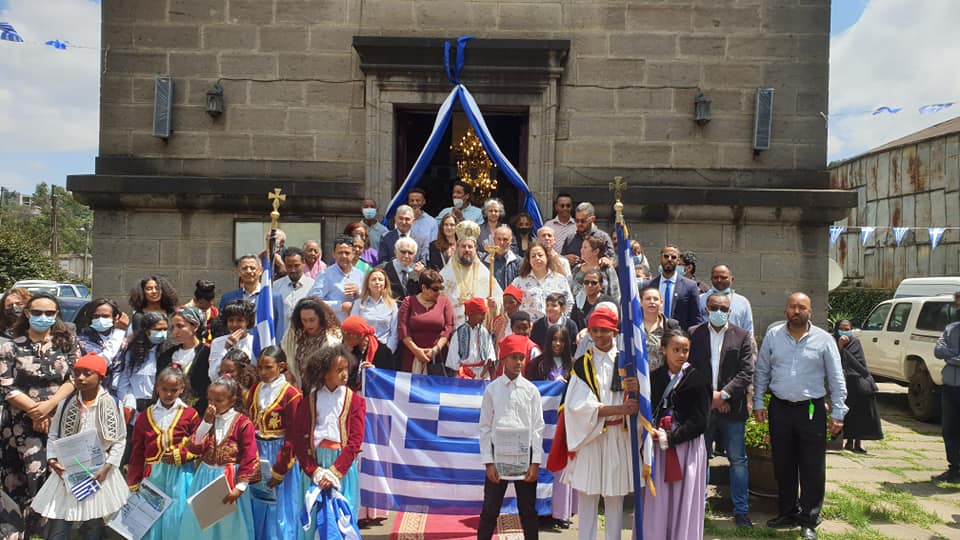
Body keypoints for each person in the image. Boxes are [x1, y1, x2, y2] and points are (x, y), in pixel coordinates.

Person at [754, 292, 846, 540]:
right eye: (793, 307)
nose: (797, 311)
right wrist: (758, 401)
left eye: (802, 307)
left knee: (812, 466)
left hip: (811, 409)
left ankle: (809, 518)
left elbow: (836, 378)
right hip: (780, 408)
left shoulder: (824, 340)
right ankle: (787, 512)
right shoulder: (774, 336)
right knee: (783, 464)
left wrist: (838, 412)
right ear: (786, 310)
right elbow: (762, 370)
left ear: (810, 312)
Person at [0, 293, 79, 537]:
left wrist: (49, 406)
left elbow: (75, 377)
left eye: (49, 313)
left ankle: (50, 529)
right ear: (27, 314)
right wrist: (34, 410)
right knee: (24, 474)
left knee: (53, 473)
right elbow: (5, 384)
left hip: (59, 419)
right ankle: (16, 528)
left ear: (56, 315)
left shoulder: (67, 343)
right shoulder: (10, 346)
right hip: (19, 424)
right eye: (37, 313)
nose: (43, 317)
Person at [559, 308, 638, 540]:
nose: (599, 335)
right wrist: (619, 410)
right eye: (594, 330)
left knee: (615, 499)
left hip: (617, 436)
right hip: (591, 437)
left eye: (604, 330)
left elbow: (642, 401)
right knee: (587, 497)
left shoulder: (628, 362)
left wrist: (637, 390)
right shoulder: (582, 364)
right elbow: (578, 407)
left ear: (614, 330)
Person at [32, 353, 128, 540]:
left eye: (87, 373)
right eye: (77, 373)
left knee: (93, 525)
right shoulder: (66, 403)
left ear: (101, 377)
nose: (81, 378)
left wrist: (107, 468)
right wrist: (52, 459)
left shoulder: (113, 404)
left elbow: (120, 439)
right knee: (60, 525)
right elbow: (53, 434)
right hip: (67, 470)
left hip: (97, 471)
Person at [689, 293, 755, 528]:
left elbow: (747, 372)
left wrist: (724, 395)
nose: (719, 311)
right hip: (703, 409)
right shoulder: (694, 334)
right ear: (706, 308)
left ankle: (741, 511)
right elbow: (688, 369)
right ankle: (698, 509)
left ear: (730, 311)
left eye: (724, 308)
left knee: (738, 460)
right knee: (701, 458)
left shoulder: (742, 335)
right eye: (714, 307)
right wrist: (710, 398)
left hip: (732, 409)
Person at [642, 329, 711, 540]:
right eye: (676, 350)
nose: (681, 354)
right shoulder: (652, 378)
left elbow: (701, 422)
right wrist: (652, 431)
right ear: (664, 350)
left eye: (685, 350)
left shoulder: (698, 379)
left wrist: (672, 438)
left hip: (686, 449)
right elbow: (647, 411)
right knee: (658, 498)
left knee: (684, 497)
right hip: (658, 448)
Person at [291, 344, 366, 534]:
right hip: (315, 465)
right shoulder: (308, 400)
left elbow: (355, 441)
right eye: (338, 370)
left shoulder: (356, 401)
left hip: (342, 466)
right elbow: (299, 439)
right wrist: (314, 471)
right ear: (325, 374)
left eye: (346, 369)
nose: (344, 374)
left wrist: (334, 472)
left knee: (342, 519)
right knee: (314, 519)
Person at [477, 334, 544, 540]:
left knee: (528, 512)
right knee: (490, 510)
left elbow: (538, 428)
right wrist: (489, 462)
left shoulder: (531, 391)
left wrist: (535, 462)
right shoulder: (492, 390)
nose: (518, 362)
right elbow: (485, 427)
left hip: (524, 458)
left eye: (521, 358)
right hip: (499, 459)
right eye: (513, 357)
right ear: (503, 359)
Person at [179, 376, 261, 540]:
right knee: (201, 523)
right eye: (210, 400)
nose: (213, 405)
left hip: (229, 480)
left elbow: (250, 455)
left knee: (228, 526)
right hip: (205, 477)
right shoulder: (209, 420)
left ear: (232, 400)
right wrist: (206, 423)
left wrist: (240, 486)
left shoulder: (243, 423)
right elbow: (196, 446)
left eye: (219, 400)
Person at [127, 366, 201, 540]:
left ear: (182, 388)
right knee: (152, 515)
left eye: (174, 390)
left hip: (181, 474)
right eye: (164, 389)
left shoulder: (190, 414)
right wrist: (134, 481)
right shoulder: (145, 416)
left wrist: (182, 455)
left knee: (178, 513)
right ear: (157, 388)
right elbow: (137, 452)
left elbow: (199, 443)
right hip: (154, 475)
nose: (168, 394)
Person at [245, 346, 303, 540]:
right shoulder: (255, 390)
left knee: (280, 509)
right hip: (257, 451)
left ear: (281, 367)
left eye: (268, 367)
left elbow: (294, 435)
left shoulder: (291, 394)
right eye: (260, 367)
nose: (263, 372)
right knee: (257, 502)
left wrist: (280, 468)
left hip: (280, 453)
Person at [525, 324, 577, 528]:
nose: (557, 343)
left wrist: (567, 386)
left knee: (561, 467)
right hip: (541, 427)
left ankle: (559, 513)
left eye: (561, 340)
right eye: (554, 339)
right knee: (539, 465)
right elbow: (529, 391)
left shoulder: (573, 365)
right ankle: (538, 512)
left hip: (564, 426)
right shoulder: (537, 364)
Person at [440, 220, 502, 327]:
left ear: (475, 249)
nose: (467, 250)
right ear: (457, 248)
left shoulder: (484, 273)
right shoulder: (445, 274)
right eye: (463, 246)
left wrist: (494, 303)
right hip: (455, 327)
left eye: (470, 247)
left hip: (480, 327)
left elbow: (500, 298)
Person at [835, 319, 883, 454]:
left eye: (847, 329)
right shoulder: (832, 341)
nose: (844, 331)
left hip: (857, 381)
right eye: (842, 328)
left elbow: (860, 363)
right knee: (847, 414)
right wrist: (840, 347)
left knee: (861, 412)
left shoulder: (855, 343)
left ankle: (858, 442)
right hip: (842, 383)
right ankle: (848, 441)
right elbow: (834, 360)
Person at [397, 270, 454, 374]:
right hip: (412, 356)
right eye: (435, 289)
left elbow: (448, 327)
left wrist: (435, 350)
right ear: (423, 288)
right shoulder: (408, 302)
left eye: (441, 288)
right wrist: (416, 351)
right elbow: (403, 328)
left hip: (438, 358)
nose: (439, 292)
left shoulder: (445, 302)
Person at [157, 307, 212, 411]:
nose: (175, 332)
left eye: (180, 326)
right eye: (173, 327)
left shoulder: (207, 354)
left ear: (195, 326)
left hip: (198, 413)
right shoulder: (167, 355)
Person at [219, 254, 286, 340]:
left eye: (252, 268)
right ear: (239, 272)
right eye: (244, 268)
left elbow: (279, 328)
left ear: (261, 270)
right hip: (236, 347)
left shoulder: (273, 297)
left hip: (264, 348)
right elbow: (223, 326)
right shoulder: (228, 298)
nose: (248, 271)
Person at [281, 298, 342, 387]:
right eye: (304, 320)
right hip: (298, 386)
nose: (308, 324)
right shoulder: (294, 336)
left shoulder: (333, 338)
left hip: (322, 388)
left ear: (320, 318)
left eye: (312, 320)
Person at [118, 311, 169, 415]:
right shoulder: (133, 354)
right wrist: (129, 404)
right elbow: (123, 384)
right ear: (146, 330)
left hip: (159, 410)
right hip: (135, 412)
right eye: (158, 330)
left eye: (165, 329)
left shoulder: (168, 354)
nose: (162, 333)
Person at [933, 290, 960, 483]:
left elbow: (946, 353)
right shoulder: (951, 328)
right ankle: (954, 468)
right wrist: (954, 356)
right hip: (950, 386)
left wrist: (951, 356)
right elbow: (938, 350)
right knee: (949, 429)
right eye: (957, 305)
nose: (958, 309)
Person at [76, 298, 129, 393]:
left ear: (115, 317)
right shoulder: (84, 339)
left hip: (122, 391)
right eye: (96, 316)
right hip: (96, 392)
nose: (100, 319)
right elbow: (102, 361)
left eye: (105, 316)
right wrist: (119, 331)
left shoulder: (125, 337)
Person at [308, 235, 366, 322]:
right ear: (333, 254)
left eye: (347, 253)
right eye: (340, 253)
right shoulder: (325, 275)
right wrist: (339, 306)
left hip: (355, 328)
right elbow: (312, 301)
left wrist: (359, 292)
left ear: (353, 254)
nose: (343, 256)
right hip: (333, 327)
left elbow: (369, 300)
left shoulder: (360, 274)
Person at [645, 245, 703, 330]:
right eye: (666, 256)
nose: (669, 259)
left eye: (673, 257)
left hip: (679, 337)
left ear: (678, 261)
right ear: (661, 258)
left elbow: (696, 317)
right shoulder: (648, 285)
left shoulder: (690, 286)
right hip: (654, 335)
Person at [512, 244, 573, 323]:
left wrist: (563, 322)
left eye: (540, 255)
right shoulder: (518, 282)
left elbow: (569, 302)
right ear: (528, 260)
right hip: (529, 329)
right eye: (533, 256)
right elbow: (511, 305)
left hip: (555, 329)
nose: (537, 258)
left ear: (547, 257)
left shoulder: (560, 279)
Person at [350, 267, 399, 353]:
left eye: (380, 280)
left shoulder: (392, 305)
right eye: (373, 279)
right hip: (363, 349)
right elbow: (353, 327)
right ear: (368, 284)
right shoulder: (359, 303)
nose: (377, 282)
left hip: (384, 350)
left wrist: (389, 350)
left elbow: (394, 332)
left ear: (385, 284)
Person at [446, 297, 496, 379]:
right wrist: (463, 374)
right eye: (482, 314)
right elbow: (453, 360)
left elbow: (490, 355)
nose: (484, 318)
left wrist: (483, 372)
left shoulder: (484, 332)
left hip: (482, 374)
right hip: (464, 375)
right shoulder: (459, 333)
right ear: (471, 314)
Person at [698, 264, 755, 337]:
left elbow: (749, 330)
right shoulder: (701, 299)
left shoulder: (743, 302)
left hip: (735, 344)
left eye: (723, 277)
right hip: (706, 344)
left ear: (732, 279)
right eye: (716, 277)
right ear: (711, 279)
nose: (719, 280)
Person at [342, 316, 396, 389]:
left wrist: (374, 372)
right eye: (344, 334)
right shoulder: (345, 348)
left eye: (348, 334)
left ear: (360, 335)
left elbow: (389, 378)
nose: (345, 338)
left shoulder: (382, 352)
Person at [208, 300, 255, 382]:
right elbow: (213, 375)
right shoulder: (217, 343)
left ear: (247, 322)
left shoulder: (255, 342)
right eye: (231, 320)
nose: (234, 324)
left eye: (240, 320)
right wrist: (226, 348)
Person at [560, 202, 614, 266]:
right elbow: (561, 259)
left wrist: (605, 260)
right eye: (577, 220)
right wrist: (565, 259)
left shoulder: (603, 237)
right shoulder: (570, 239)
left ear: (592, 219)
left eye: (583, 221)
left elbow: (612, 259)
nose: (579, 224)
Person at [571, 236, 619, 302]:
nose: (581, 250)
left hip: (601, 308)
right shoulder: (577, 269)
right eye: (581, 247)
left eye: (585, 247)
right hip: (579, 310)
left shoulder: (606, 269)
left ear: (596, 251)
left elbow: (615, 293)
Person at [273, 246, 316, 320]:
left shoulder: (313, 286)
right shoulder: (275, 286)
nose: (293, 270)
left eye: (296, 266)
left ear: (303, 263)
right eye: (289, 266)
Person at [381, 236, 423, 301]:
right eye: (403, 252)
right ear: (395, 252)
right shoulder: (382, 270)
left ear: (414, 255)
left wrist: (421, 276)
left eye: (410, 253)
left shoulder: (418, 271)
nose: (406, 256)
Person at [481, 224, 522, 291]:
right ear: (494, 240)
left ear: (510, 241)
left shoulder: (518, 262)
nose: (501, 243)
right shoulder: (484, 260)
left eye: (505, 239)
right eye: (498, 239)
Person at [183, 279, 219, 345]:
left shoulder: (214, 311)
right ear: (200, 301)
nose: (212, 304)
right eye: (203, 308)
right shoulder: (183, 313)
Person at [407, 188, 438, 252]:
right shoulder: (402, 220)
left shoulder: (432, 222)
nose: (415, 203)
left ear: (424, 201)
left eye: (418, 200)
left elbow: (433, 246)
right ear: (408, 202)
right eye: (412, 200)